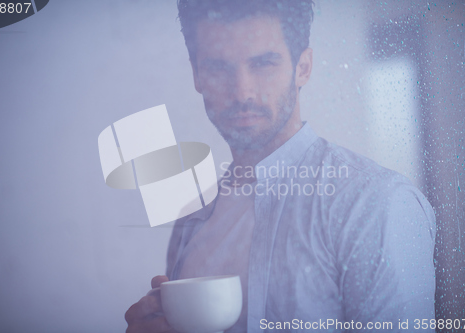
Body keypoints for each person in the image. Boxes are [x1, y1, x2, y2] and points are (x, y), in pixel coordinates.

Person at [125, 0, 436, 332]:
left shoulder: (375, 204)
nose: (242, 91)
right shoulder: (191, 223)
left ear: (303, 67)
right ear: (197, 74)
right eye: (218, 67)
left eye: (263, 63)